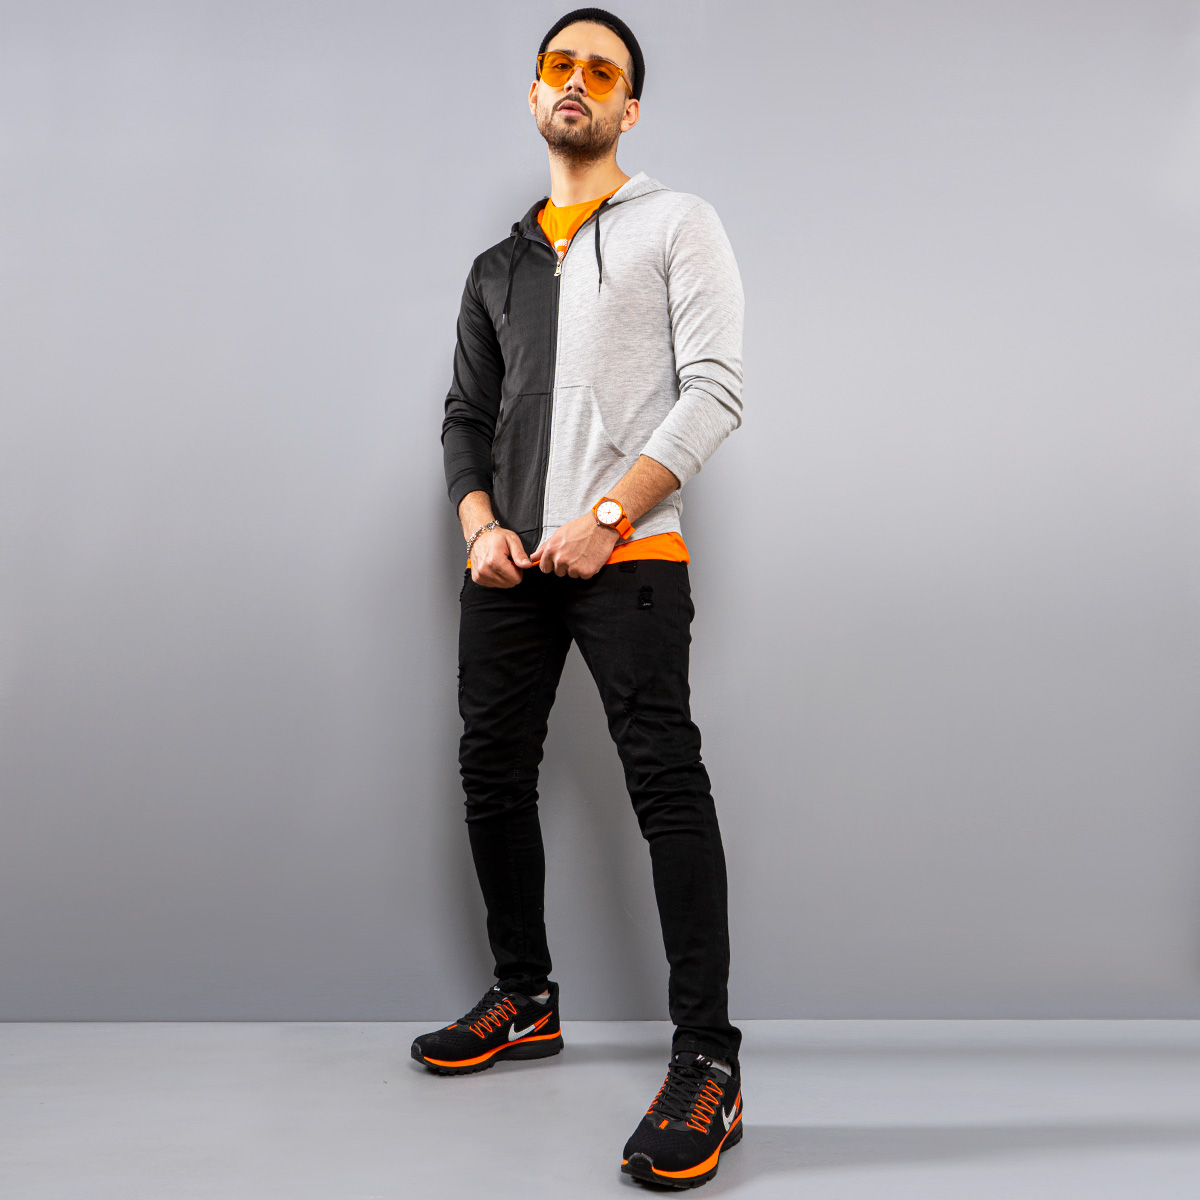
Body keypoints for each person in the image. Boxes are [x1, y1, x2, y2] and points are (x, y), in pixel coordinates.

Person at [412, 8, 745, 1188]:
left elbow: (716, 390)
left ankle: (708, 1063)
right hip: (509, 565)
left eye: (602, 72)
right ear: (534, 93)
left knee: (664, 780)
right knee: (491, 772)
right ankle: (524, 998)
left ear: (628, 107)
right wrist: (480, 528)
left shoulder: (677, 223)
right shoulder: (496, 267)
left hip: (631, 556)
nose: (578, 82)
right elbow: (464, 417)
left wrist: (607, 518)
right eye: (560, 65)